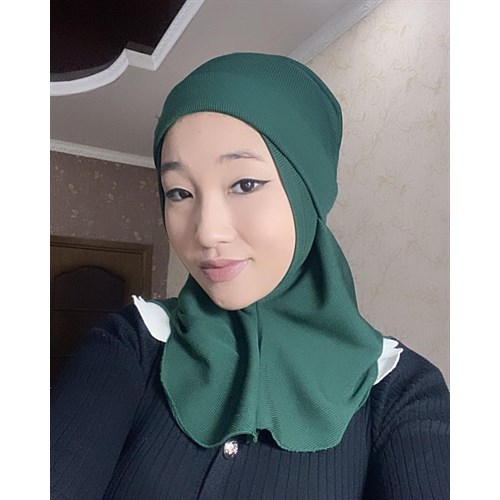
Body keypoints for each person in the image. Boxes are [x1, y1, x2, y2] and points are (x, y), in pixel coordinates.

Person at [51, 53, 450, 499]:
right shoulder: (133, 343)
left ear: (307, 190)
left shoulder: (399, 392)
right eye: (179, 192)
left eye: (244, 184)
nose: (206, 232)